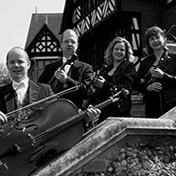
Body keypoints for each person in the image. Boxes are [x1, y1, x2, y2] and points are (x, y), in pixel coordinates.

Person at [0, 46, 100, 128]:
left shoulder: (45, 90)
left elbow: (63, 117)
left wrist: (85, 119)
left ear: (28, 64)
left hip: (41, 149)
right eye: (12, 62)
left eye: (20, 61)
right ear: (7, 65)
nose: (16, 65)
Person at [38, 29, 93, 110]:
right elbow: (39, 89)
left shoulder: (86, 68)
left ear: (77, 45)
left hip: (74, 112)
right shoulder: (49, 68)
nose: (69, 44)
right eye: (66, 41)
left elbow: (88, 92)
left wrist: (67, 80)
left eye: (73, 42)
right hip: (52, 112)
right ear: (61, 44)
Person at [91, 36, 137, 123]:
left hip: (119, 111)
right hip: (103, 111)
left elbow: (126, 87)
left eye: (122, 50)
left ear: (126, 52)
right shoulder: (106, 68)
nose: (119, 52)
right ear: (111, 51)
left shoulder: (129, 66)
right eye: (116, 49)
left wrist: (105, 85)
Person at [134, 26, 176, 118]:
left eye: (157, 37)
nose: (155, 41)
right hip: (152, 105)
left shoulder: (174, 58)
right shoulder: (145, 62)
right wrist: (147, 87)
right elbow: (135, 83)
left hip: (172, 105)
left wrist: (163, 76)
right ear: (148, 43)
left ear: (164, 39)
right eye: (151, 39)